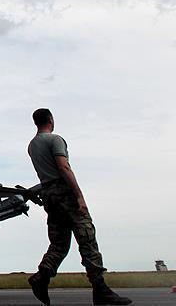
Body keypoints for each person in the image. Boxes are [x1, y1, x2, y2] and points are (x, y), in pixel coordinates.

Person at [26, 109, 131, 306]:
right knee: (87, 237)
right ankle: (100, 289)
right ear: (50, 120)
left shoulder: (32, 146)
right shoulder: (55, 140)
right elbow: (63, 167)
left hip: (49, 194)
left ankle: (42, 276)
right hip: (64, 193)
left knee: (59, 243)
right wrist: (79, 196)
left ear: (35, 122)